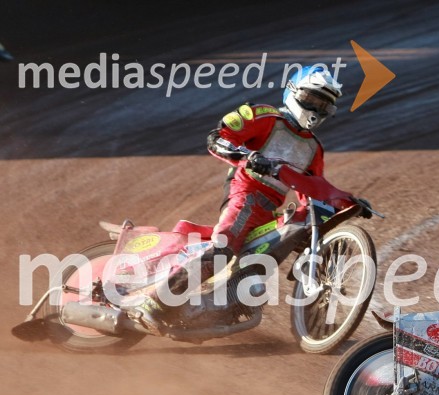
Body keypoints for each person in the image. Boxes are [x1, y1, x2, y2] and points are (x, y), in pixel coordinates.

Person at [130, 66, 364, 332]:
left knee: (257, 265)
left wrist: (348, 202)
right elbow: (218, 137)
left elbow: (312, 190)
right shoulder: (264, 116)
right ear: (293, 92)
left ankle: (219, 307)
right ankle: (156, 301)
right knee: (223, 248)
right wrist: (247, 156)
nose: (315, 108)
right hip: (245, 194)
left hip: (269, 210)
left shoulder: (313, 149)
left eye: (323, 104)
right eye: (311, 99)